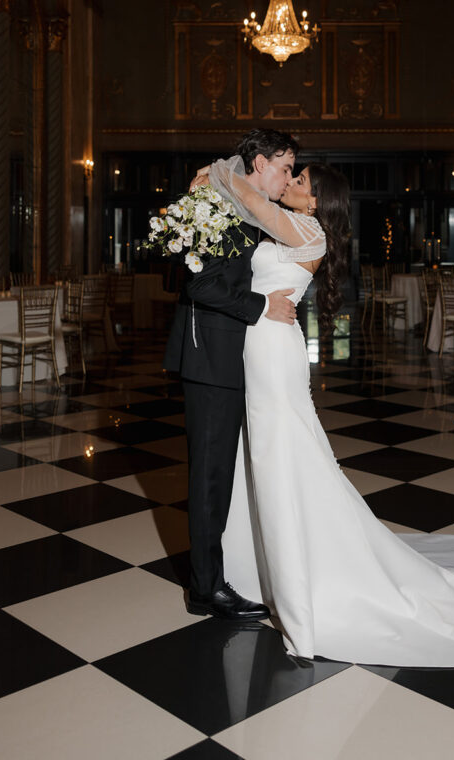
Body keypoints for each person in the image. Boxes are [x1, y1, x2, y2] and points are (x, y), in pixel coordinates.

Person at [194, 153, 454, 666]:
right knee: (262, 455)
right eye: (290, 172)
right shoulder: (288, 225)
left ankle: (302, 591)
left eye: (299, 178)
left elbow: (250, 202)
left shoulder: (309, 232)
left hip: (274, 353)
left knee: (280, 454)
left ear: (317, 199)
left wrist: (221, 174)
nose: (289, 181)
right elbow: (245, 219)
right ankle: (257, 570)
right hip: (258, 347)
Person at [164, 128, 299, 620]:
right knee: (210, 475)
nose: (287, 178)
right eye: (285, 168)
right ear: (260, 164)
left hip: (227, 358)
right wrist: (263, 305)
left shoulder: (237, 205)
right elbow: (202, 286)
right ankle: (206, 589)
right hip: (209, 358)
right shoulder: (218, 206)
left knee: (219, 473)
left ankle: (215, 574)